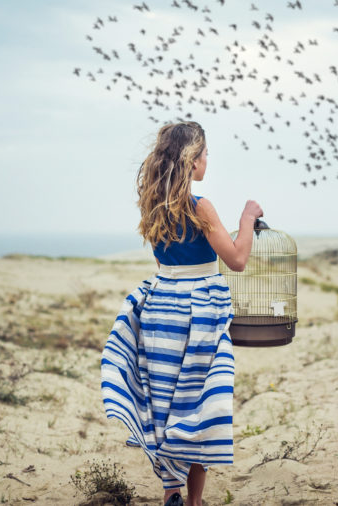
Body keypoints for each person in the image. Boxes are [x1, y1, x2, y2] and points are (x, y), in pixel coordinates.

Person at [100, 121, 263, 506]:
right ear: (192, 161)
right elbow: (237, 259)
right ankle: (192, 502)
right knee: (198, 405)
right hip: (198, 312)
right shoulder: (200, 206)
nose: (208, 160)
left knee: (164, 404)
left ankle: (170, 491)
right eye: (205, 154)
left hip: (160, 310)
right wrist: (247, 218)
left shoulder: (152, 205)